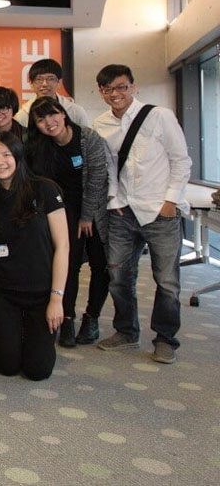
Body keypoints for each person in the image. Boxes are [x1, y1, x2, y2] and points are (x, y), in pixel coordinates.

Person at [92, 64, 191, 364]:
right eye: (108, 89)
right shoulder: (100, 124)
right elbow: (108, 167)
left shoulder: (160, 116)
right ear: (101, 92)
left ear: (133, 87)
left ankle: (165, 339)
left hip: (160, 211)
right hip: (122, 211)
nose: (115, 94)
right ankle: (126, 331)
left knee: (167, 280)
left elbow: (181, 161)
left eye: (121, 87)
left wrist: (170, 201)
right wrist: (114, 199)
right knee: (119, 276)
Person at [0, 132, 68, 381]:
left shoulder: (45, 189)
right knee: (6, 365)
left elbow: (63, 247)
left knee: (38, 371)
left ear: (18, 156)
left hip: (42, 292)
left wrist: (56, 298)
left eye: (7, 154)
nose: (0, 162)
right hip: (5, 292)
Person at [26, 97, 111, 347]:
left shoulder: (88, 138)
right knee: (69, 264)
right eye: (40, 119)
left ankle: (92, 317)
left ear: (63, 113)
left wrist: (87, 216)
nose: (49, 122)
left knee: (101, 265)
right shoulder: (40, 147)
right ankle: (67, 318)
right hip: (63, 212)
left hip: (95, 211)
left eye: (52, 114)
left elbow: (97, 178)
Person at [14, 59, 90, 128]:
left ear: (59, 82)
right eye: (39, 79)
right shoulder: (22, 116)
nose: (44, 84)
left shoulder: (76, 111)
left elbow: (86, 137)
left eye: (50, 79)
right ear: (31, 84)